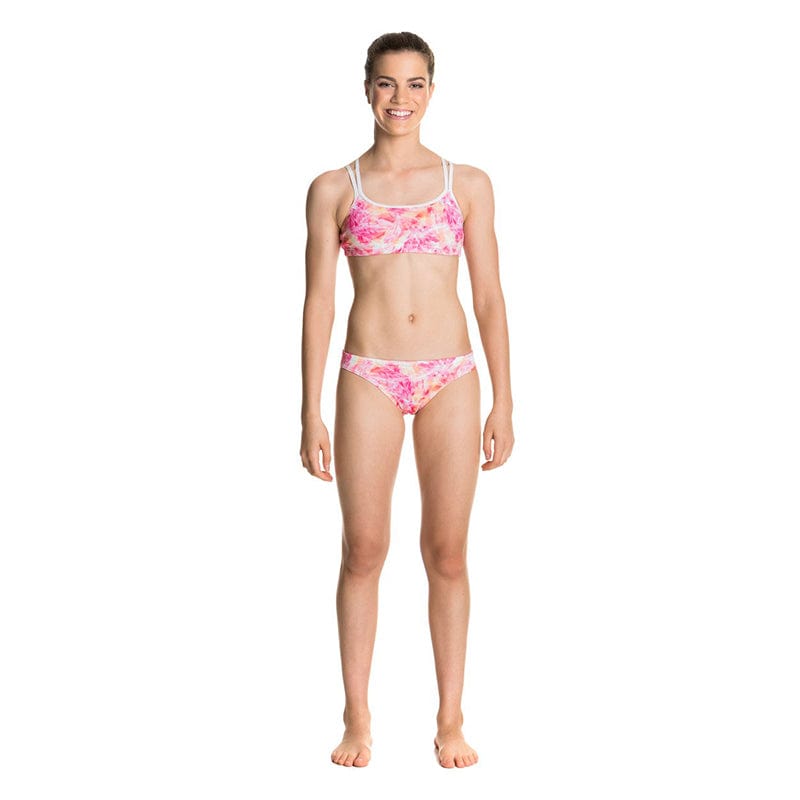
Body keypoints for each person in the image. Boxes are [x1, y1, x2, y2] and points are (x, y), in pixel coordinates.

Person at [300, 31, 513, 769]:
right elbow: (319, 303)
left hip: (451, 374)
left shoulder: (467, 183)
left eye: (414, 84)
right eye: (387, 84)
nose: (400, 98)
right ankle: (356, 718)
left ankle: (451, 719)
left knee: (447, 553)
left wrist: (504, 401)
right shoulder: (333, 189)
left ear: (432, 91)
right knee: (364, 549)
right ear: (367, 89)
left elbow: (489, 297)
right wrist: (310, 410)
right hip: (369, 375)